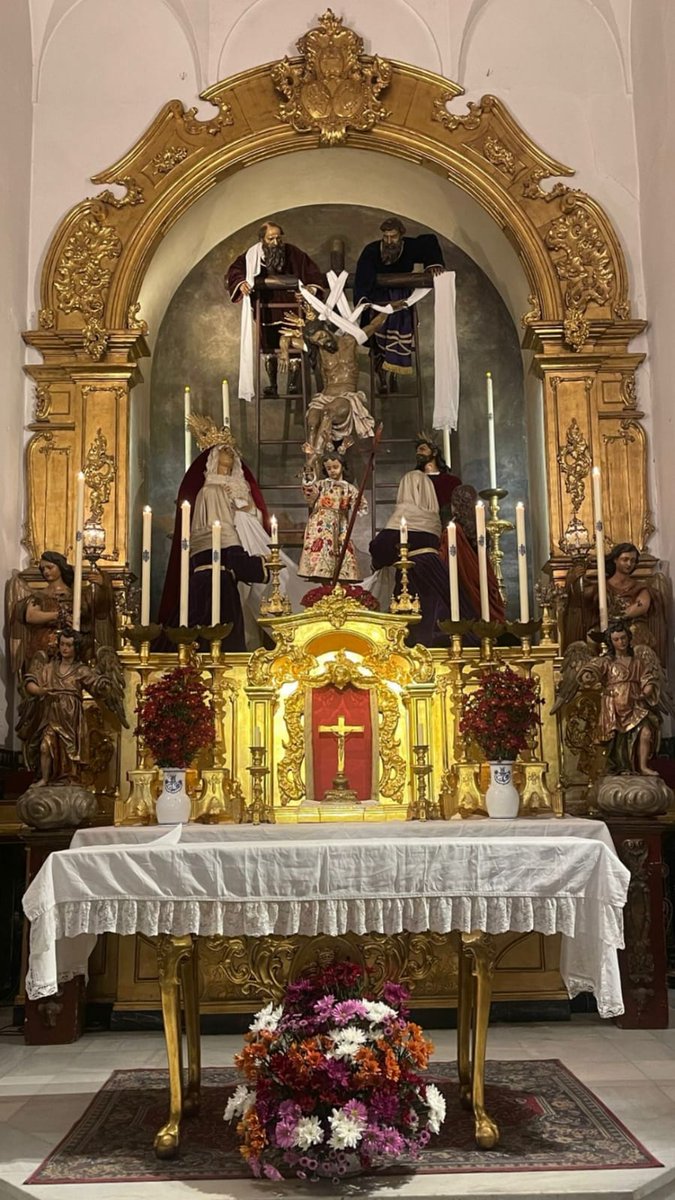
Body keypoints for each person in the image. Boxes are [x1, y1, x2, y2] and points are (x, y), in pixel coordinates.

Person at [157, 436, 272, 652]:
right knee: (221, 640)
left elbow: (251, 515)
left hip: (205, 576)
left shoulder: (217, 490)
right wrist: (262, 567)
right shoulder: (212, 491)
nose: (228, 458)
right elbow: (226, 540)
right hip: (221, 579)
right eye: (223, 456)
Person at [226, 221, 325, 398]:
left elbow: (312, 272)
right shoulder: (252, 255)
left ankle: (293, 384)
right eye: (271, 239)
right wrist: (242, 283)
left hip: (291, 308)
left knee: (294, 345)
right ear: (262, 239)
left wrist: (310, 289)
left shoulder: (292, 253)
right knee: (269, 347)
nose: (276, 243)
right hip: (266, 309)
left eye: (278, 238)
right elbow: (235, 271)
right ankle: (272, 385)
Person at [353, 216, 445, 393]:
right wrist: (365, 303)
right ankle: (382, 374)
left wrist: (433, 264)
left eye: (393, 236)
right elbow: (363, 279)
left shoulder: (409, 246)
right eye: (386, 237)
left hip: (402, 300)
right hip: (378, 300)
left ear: (401, 236)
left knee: (401, 331)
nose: (389, 241)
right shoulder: (372, 250)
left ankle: (394, 374)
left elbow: (429, 240)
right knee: (378, 337)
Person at [16, 628, 118, 786]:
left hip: (71, 717)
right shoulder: (49, 668)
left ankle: (70, 779)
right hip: (51, 713)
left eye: (69, 645)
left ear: (76, 648)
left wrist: (104, 683)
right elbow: (29, 682)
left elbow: (96, 685)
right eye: (62, 644)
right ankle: (44, 778)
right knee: (45, 746)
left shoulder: (81, 670)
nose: (64, 648)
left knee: (68, 752)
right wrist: (40, 690)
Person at [369, 470, 450, 647]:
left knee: (416, 627)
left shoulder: (405, 514)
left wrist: (376, 561)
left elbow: (381, 547)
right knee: (440, 615)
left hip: (413, 573)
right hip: (437, 571)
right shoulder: (433, 517)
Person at [7, 550, 117, 676]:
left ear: (60, 567)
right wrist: (58, 616)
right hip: (46, 644)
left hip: (73, 646)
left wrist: (102, 585)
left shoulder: (76, 595)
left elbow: (97, 609)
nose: (46, 572)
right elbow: (31, 616)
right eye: (43, 569)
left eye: (50, 567)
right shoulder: (40, 595)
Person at [561, 541, 667, 662]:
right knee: (589, 640)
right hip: (604, 625)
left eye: (633, 560)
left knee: (637, 637)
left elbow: (642, 604)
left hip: (632, 626)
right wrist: (575, 579)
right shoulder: (602, 586)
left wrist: (621, 616)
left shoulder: (639, 587)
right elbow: (579, 599)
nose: (629, 564)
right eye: (625, 559)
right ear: (615, 560)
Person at [298, 454, 367, 582]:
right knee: (322, 550)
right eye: (329, 468)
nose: (332, 471)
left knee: (341, 550)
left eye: (335, 467)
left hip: (339, 523)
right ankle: (321, 576)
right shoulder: (321, 485)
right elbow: (309, 492)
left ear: (342, 467)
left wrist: (357, 504)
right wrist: (310, 465)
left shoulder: (348, 488)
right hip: (321, 522)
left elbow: (361, 506)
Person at [443, 484, 505, 624]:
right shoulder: (479, 527)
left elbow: (446, 560)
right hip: (482, 580)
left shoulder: (453, 531)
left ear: (454, 505)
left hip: (462, 585)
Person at [415, 434, 462, 526]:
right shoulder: (414, 480)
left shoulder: (451, 482)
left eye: (422, 449)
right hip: (422, 526)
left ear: (434, 452)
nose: (418, 453)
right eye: (417, 451)